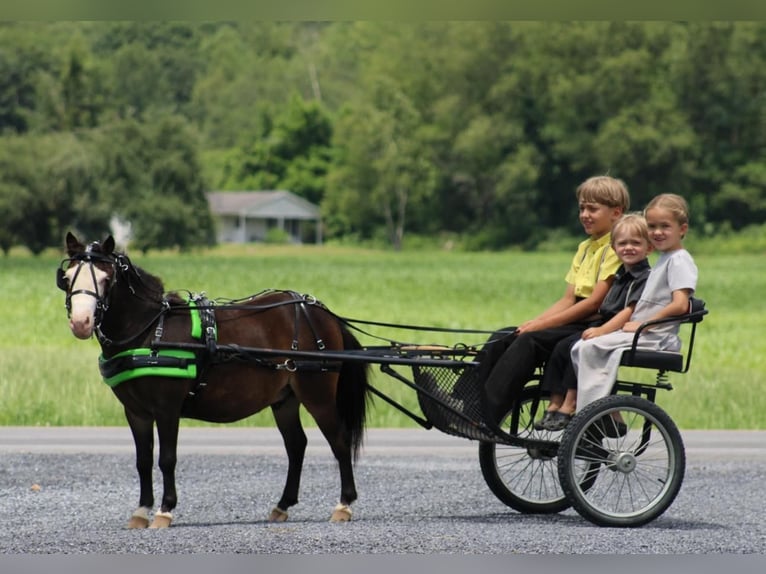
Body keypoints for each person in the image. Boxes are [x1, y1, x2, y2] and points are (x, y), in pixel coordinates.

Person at [466, 175, 630, 427]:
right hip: (575, 316)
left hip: (592, 321)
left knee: (530, 341)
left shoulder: (616, 249)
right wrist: (535, 321)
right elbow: (568, 299)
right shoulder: (585, 247)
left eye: (593, 209)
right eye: (582, 208)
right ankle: (463, 400)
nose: (585, 214)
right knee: (506, 335)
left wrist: (539, 328)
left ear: (616, 213)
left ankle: (487, 412)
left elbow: (592, 304)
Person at [569, 193, 698, 416]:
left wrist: (644, 323)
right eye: (652, 226)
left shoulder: (679, 260)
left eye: (665, 226)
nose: (657, 232)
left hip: (656, 336)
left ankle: (592, 413)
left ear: (682, 229)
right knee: (579, 347)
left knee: (590, 348)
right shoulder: (665, 258)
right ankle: (602, 409)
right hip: (643, 331)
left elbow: (680, 305)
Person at [533, 213, 652, 431]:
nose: (628, 248)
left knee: (577, 347)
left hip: (620, 328)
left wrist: (601, 330)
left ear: (649, 248)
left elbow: (629, 311)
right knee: (560, 347)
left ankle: (570, 404)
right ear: (614, 249)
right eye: (623, 243)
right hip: (606, 324)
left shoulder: (644, 276)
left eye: (636, 243)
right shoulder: (619, 274)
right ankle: (554, 402)